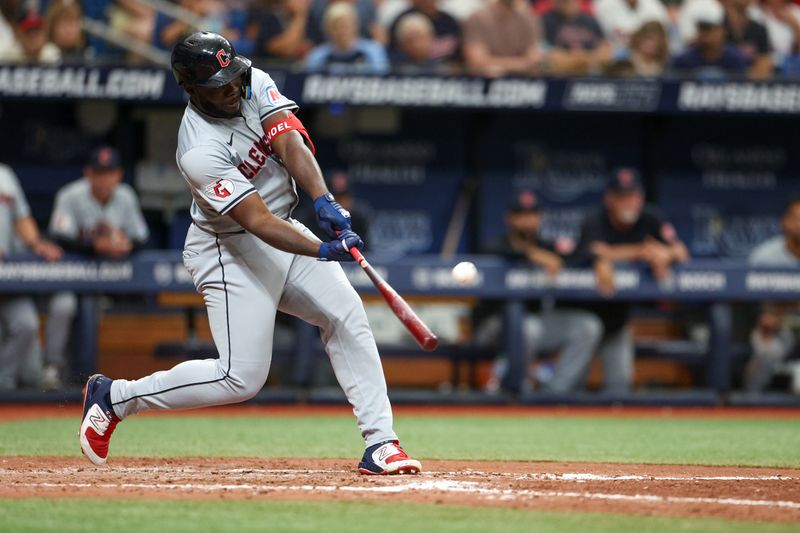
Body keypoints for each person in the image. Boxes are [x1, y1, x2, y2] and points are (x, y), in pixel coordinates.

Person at [78, 32, 421, 476]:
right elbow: (257, 222)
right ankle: (116, 396)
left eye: (234, 78)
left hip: (285, 227)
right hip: (228, 248)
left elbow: (289, 141)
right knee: (239, 378)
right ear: (191, 89)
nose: (233, 89)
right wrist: (321, 248)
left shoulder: (249, 78)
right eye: (220, 86)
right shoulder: (198, 150)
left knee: (345, 314)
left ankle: (381, 443)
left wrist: (323, 199)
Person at [572, 168, 689, 393]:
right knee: (572, 389)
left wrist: (667, 254)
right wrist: (641, 251)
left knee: (620, 388)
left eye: (633, 196)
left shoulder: (650, 217)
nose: (629, 202)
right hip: (584, 314)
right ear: (610, 198)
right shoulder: (594, 219)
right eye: (622, 197)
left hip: (617, 319)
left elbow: (681, 251)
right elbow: (596, 251)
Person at [475, 191, 604, 394]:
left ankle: (555, 393)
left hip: (536, 321)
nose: (528, 220)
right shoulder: (496, 245)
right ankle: (517, 386)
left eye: (532, 214)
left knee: (588, 325)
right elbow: (491, 252)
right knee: (527, 326)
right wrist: (530, 254)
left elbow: (576, 257)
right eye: (521, 215)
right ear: (510, 218)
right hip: (494, 325)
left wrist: (598, 260)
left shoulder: (547, 246)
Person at [43, 146, 150, 389]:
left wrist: (126, 245)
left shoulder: (126, 196)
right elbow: (59, 236)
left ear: (119, 174)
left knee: (102, 309)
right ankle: (52, 367)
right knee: (63, 306)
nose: (105, 178)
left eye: (110, 172)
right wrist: (96, 246)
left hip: (109, 279)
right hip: (71, 274)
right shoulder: (70, 195)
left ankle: (101, 380)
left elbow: (142, 237)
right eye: (99, 172)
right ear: (88, 173)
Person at [0, 163, 62, 390]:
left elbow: (21, 217)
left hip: (7, 280)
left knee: (27, 325)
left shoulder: (5, 175)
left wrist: (37, 243)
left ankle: (3, 383)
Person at [745, 198, 800, 393]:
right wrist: (761, 316)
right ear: (783, 222)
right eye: (795, 217)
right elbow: (745, 298)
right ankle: (751, 402)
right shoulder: (764, 257)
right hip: (777, 325)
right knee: (767, 351)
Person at [462, 0, 543, 77]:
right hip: (486, 82)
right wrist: (521, 64)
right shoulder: (478, 18)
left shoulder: (529, 18)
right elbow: (477, 61)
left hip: (523, 81)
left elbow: (533, 59)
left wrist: (497, 65)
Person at [305, 2, 390, 74]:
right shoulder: (318, 56)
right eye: (337, 26)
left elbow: (381, 80)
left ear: (355, 26)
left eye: (346, 25)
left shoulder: (373, 51)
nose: (342, 30)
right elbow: (309, 81)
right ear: (328, 29)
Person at [673, 0, 749, 76]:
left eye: (709, 29)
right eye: (701, 29)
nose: (705, 34)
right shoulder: (684, 61)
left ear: (722, 31)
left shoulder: (735, 60)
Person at [541, 0, 612, 76]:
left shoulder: (590, 20)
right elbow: (547, 55)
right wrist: (578, 61)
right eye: (565, 2)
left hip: (591, 76)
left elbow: (606, 52)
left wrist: (583, 58)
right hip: (559, 77)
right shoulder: (545, 21)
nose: (570, 3)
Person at [387, 0, 461, 63]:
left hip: (444, 72)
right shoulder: (402, 19)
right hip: (405, 69)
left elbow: (459, 56)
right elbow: (392, 52)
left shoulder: (449, 22)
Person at [246, 0, 312, 62]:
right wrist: (299, 17)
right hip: (272, 68)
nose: (305, 1)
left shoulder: (311, 19)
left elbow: (315, 45)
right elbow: (285, 50)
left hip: (303, 68)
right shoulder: (270, 17)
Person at [721, 0, 773, 78]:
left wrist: (745, 79)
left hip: (749, 84)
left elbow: (765, 61)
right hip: (721, 82)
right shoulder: (716, 27)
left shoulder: (759, 29)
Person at [594, 0, 669, 53]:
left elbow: (661, 37)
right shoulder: (604, 5)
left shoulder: (654, 6)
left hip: (648, 54)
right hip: (615, 54)